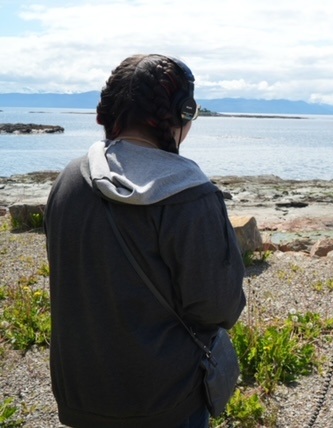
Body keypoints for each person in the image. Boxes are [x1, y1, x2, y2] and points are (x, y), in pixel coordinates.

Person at [44, 54, 246, 427]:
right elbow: (220, 308)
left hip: (81, 392)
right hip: (166, 397)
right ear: (181, 113)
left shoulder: (71, 179)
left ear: (108, 111)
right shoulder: (190, 196)